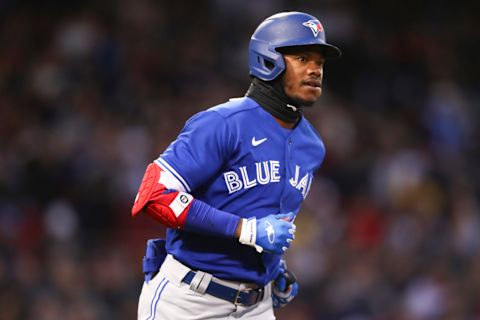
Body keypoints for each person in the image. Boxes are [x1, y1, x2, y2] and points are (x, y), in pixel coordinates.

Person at [131, 11, 341, 320]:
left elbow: (264, 214)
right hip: (188, 301)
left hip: (256, 305)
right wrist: (245, 229)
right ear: (269, 60)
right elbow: (153, 195)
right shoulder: (222, 123)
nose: (315, 70)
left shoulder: (312, 147)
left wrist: (274, 267)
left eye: (320, 62)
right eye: (302, 58)